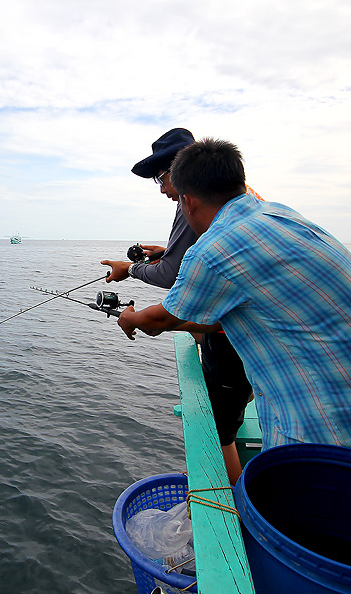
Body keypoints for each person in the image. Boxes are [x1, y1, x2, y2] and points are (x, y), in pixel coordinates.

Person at [118, 138, 351, 453]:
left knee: (299, 502)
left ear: (187, 201)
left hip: (333, 426)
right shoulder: (280, 214)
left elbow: (161, 319)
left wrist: (130, 317)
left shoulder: (210, 251)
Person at [101, 128, 253, 484]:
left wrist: (134, 309)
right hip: (258, 346)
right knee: (225, 422)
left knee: (218, 436)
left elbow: (171, 295)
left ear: (183, 173)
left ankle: (230, 504)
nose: (163, 190)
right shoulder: (253, 208)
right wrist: (162, 257)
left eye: (161, 178)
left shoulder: (197, 211)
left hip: (239, 352)